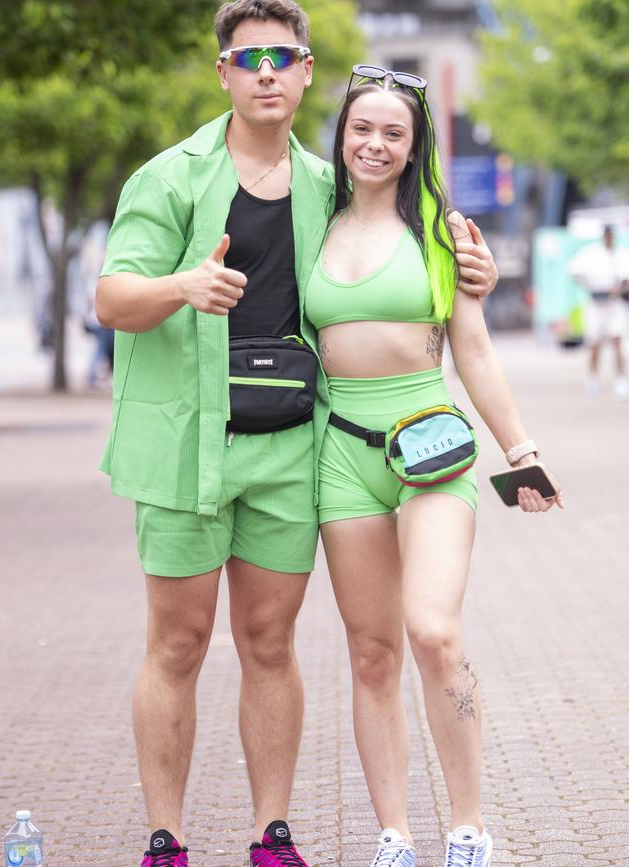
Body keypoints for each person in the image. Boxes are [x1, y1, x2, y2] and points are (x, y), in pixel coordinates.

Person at [95, 2, 498, 865]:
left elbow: (410, 242)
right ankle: (164, 836)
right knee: (178, 641)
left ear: (309, 70)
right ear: (226, 74)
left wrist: (477, 269)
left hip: (288, 451)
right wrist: (182, 287)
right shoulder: (167, 179)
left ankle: (268, 833)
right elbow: (111, 298)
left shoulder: (327, 185)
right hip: (182, 446)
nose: (267, 71)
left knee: (271, 643)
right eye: (250, 59)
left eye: (283, 57)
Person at [304, 68, 565, 867]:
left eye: (394, 133)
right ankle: (394, 835)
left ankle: (468, 828)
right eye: (362, 128)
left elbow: (474, 349)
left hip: (430, 445)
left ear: (415, 148)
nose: (375, 144)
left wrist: (521, 450)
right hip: (338, 447)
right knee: (371, 650)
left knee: (434, 632)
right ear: (342, 135)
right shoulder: (310, 220)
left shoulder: (442, 230)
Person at [568, 225, 629, 399]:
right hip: (596, 302)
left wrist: (619, 288)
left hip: (614, 303)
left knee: (618, 341)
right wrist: (589, 282)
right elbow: (574, 271)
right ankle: (593, 379)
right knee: (594, 343)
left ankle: (621, 379)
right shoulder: (591, 254)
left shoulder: (621, 255)